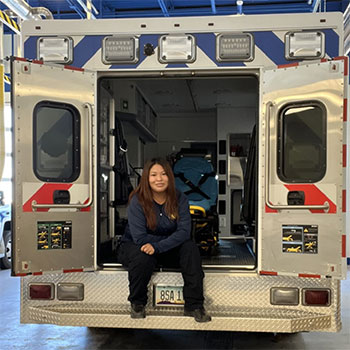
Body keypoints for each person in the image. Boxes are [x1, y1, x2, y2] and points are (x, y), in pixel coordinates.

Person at [117, 158, 211, 322]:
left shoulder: (180, 198)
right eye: (153, 175)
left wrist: (158, 246)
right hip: (136, 245)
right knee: (142, 256)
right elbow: (140, 237)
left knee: (190, 249)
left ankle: (194, 306)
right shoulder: (137, 200)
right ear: (146, 178)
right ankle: (137, 303)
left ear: (170, 177)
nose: (159, 179)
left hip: (162, 247)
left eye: (163, 174)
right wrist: (158, 245)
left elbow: (184, 232)